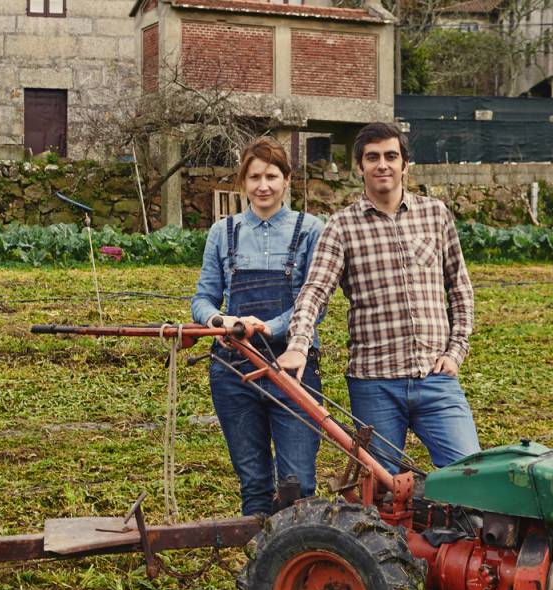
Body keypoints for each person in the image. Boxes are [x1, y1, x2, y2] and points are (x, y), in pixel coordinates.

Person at [276, 122, 481, 474]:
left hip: (435, 379)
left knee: (469, 474)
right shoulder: (341, 226)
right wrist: (298, 344)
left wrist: (456, 350)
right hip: (375, 384)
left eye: (391, 156)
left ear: (405, 164)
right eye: (372, 158)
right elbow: (315, 292)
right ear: (360, 167)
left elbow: (460, 288)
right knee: (382, 487)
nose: (382, 165)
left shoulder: (435, 215)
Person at [191, 136, 325, 517]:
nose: (262, 186)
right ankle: (258, 550)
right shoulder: (223, 232)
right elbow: (202, 300)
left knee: (298, 483)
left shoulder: (310, 230)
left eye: (271, 176)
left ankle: (297, 549)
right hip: (234, 370)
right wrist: (223, 321)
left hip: (293, 365)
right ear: (243, 182)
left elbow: (315, 303)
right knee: (253, 483)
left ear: (287, 179)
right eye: (254, 177)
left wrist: (266, 326)